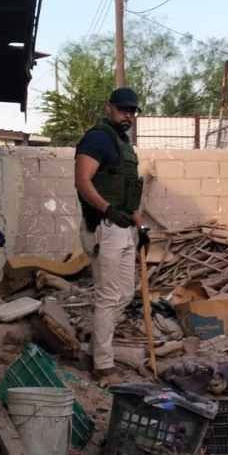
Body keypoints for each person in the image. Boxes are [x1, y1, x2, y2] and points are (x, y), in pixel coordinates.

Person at [74, 86, 145, 384]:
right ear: (109, 108)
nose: (127, 115)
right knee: (107, 297)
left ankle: (94, 347)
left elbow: (131, 192)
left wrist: (140, 228)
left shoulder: (124, 144)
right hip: (105, 227)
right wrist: (106, 210)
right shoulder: (98, 138)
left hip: (125, 228)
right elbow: (82, 180)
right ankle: (103, 365)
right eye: (123, 109)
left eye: (132, 111)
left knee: (125, 294)